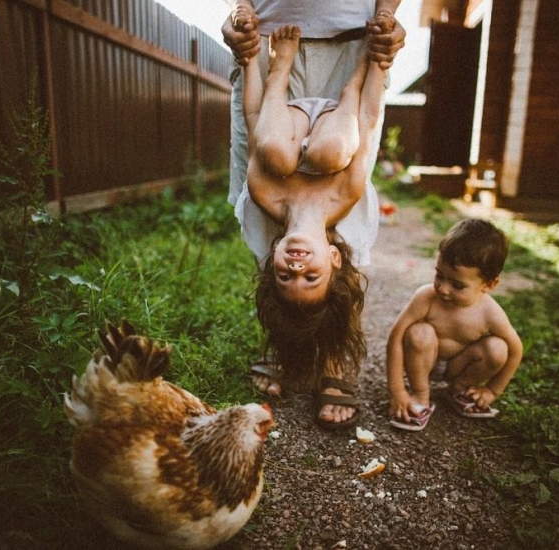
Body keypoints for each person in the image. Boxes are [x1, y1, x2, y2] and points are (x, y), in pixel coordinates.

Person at [222, 0, 405, 429]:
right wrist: (371, 65)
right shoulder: (344, 196)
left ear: (273, 259)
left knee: (273, 154)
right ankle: (301, 345)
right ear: (335, 258)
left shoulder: (266, 195)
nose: (297, 267)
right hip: (339, 106)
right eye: (311, 276)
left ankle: (280, 69)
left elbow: (254, 116)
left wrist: (257, 64)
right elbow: (366, 117)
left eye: (285, 275)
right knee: (330, 154)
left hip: (279, 92)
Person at [386, 218, 524, 430]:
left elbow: (515, 350)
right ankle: (420, 394)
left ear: (489, 284)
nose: (443, 289)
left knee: (498, 348)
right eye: (439, 275)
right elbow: (396, 338)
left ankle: (459, 390)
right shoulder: (426, 298)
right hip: (424, 361)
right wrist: (397, 391)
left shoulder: (490, 312)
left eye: (457, 285)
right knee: (419, 332)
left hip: (459, 366)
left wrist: (492, 390)